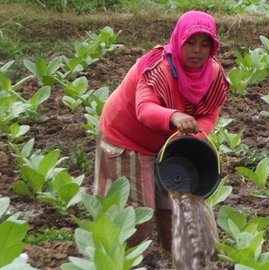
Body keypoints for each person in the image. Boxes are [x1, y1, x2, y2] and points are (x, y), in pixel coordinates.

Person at [93, 10, 229, 251]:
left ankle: (172, 255)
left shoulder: (213, 74)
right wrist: (174, 116)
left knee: (172, 204)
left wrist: (195, 136)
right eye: (191, 42)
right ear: (178, 41)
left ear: (213, 48)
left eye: (205, 44)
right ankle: (127, 260)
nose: (197, 50)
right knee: (137, 214)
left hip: (167, 142)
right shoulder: (158, 69)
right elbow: (144, 109)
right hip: (126, 139)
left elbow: (210, 112)